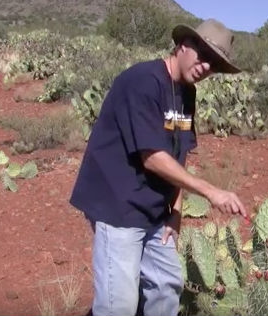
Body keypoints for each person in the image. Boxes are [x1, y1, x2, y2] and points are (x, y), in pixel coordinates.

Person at [69, 19, 248, 316]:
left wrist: (175, 214)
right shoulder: (143, 82)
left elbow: (179, 155)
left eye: (214, 64)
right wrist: (210, 191)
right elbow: (151, 157)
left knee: (166, 287)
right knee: (119, 305)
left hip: (156, 211)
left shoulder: (187, 92)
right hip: (118, 206)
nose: (205, 67)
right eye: (203, 56)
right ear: (182, 46)